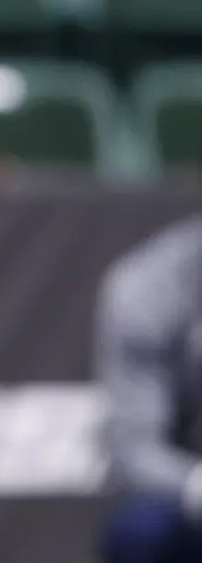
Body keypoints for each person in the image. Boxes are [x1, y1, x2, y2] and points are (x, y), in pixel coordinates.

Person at [97, 216, 202, 563]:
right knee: (141, 531)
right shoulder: (149, 286)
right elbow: (136, 445)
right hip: (190, 488)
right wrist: (194, 485)